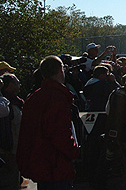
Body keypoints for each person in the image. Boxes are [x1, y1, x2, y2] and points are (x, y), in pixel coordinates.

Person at [17, 56, 80, 190]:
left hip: (40, 161)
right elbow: (59, 133)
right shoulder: (57, 98)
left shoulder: (35, 97)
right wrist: (74, 150)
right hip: (56, 163)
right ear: (60, 71)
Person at [0, 74, 23, 189]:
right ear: (9, 85)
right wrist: (7, 150)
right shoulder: (6, 104)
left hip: (14, 151)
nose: (19, 84)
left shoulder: (15, 102)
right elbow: (4, 128)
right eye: (17, 82)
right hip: (8, 153)